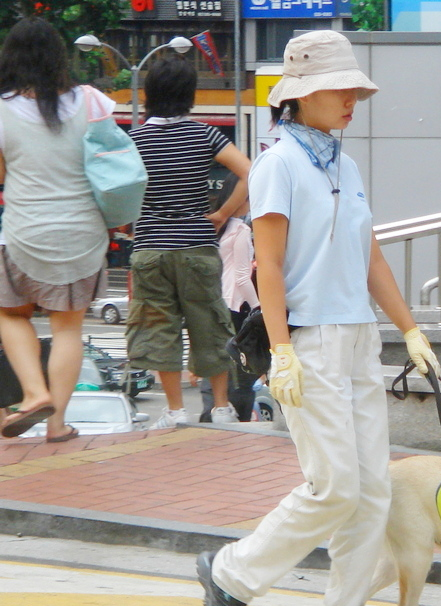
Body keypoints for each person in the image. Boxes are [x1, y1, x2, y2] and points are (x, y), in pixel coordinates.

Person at [196, 30, 439, 606]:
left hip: (358, 338)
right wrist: (282, 352)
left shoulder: (343, 163)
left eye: (356, 90)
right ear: (302, 97)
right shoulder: (278, 162)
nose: (353, 100)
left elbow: (369, 255)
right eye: (341, 90)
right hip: (308, 339)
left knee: (371, 491)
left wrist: (410, 330)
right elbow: (268, 267)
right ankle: (230, 575)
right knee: (334, 486)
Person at [0, 18, 114, 442]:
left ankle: (33, 393)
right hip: (83, 236)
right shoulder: (92, 101)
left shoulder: (1, 109)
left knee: (10, 315)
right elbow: (109, 158)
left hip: (23, 235)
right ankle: (57, 425)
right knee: (68, 328)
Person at [126, 55, 251, 429]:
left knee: (158, 326)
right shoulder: (205, 134)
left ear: (149, 94)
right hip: (197, 244)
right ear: (189, 94)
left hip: (150, 246)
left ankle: (175, 409)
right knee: (210, 323)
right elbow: (250, 171)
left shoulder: (135, 139)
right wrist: (222, 213)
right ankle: (222, 407)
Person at [197, 172, 259, 422]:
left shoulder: (210, 226)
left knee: (214, 365)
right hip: (233, 308)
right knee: (242, 372)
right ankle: (238, 423)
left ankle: (209, 415)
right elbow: (243, 278)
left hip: (207, 304)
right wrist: (258, 308)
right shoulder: (240, 230)